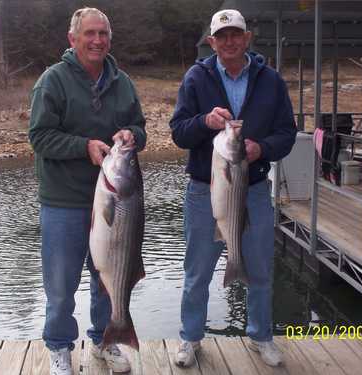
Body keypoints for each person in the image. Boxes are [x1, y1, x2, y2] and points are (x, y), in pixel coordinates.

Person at [169, 9, 297, 368]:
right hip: (203, 192)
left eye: (235, 34)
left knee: (260, 270)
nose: (229, 41)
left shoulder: (270, 79)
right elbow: (179, 131)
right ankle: (190, 339)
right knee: (197, 272)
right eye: (221, 36)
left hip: (254, 189)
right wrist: (204, 121)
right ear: (211, 41)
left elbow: (287, 132)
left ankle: (261, 336)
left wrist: (262, 149)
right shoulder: (196, 77)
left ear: (247, 37)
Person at [28, 7, 146, 375]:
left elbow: (139, 129)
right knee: (61, 287)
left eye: (104, 34)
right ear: (73, 39)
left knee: (106, 281)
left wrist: (131, 136)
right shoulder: (53, 81)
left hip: (116, 203)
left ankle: (104, 340)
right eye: (90, 33)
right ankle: (60, 349)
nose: (98, 41)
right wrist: (84, 146)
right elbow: (40, 136)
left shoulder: (122, 82)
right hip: (63, 202)